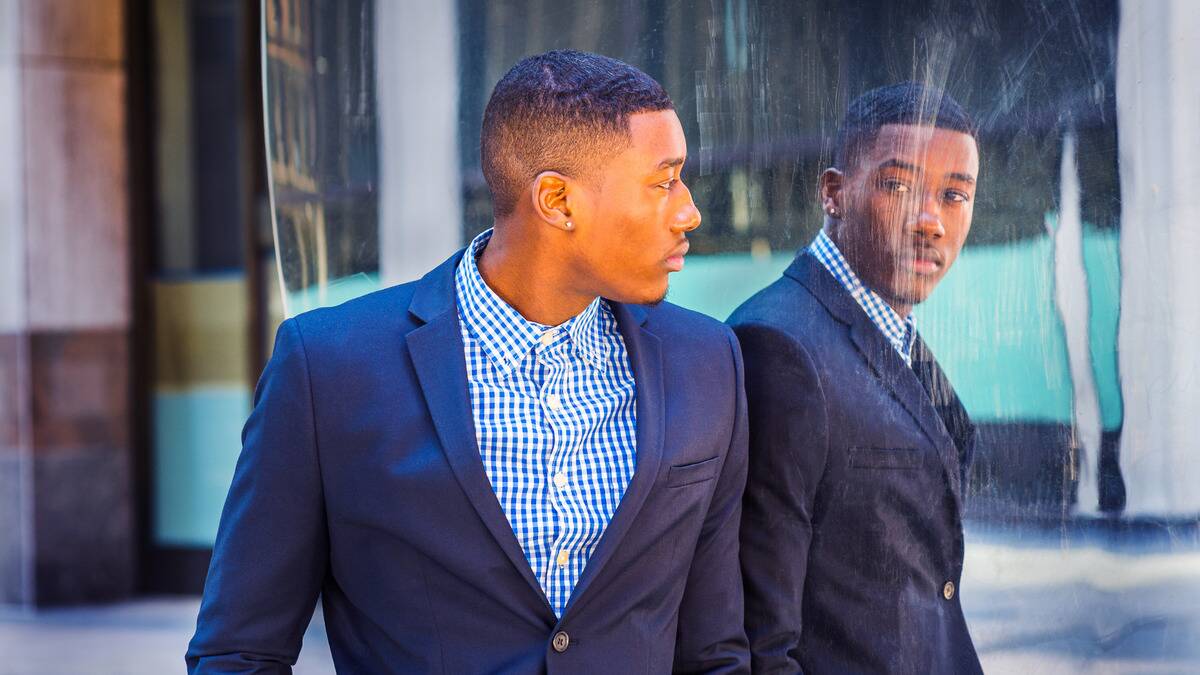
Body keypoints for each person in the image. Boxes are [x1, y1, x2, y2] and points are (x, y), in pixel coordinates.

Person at [187, 50, 750, 674]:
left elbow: (715, 650)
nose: (689, 210)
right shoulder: (328, 368)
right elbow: (239, 651)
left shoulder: (708, 362)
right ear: (558, 201)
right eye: (663, 180)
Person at [729, 82, 983, 674]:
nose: (931, 222)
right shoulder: (780, 346)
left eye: (954, 195)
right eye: (899, 186)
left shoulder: (889, 322)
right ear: (834, 192)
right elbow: (763, 640)